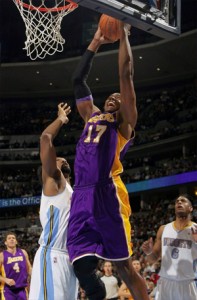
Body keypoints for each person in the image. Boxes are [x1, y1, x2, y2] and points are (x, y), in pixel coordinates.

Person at [67, 20, 149, 300]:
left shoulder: (123, 125)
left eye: (119, 98)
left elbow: (125, 76)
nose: (114, 97)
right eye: (111, 96)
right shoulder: (91, 116)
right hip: (80, 195)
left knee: (123, 267)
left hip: (107, 193)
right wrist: (95, 43)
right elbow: (78, 80)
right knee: (80, 265)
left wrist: (124, 35)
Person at [29, 103, 78, 300]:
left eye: (65, 159)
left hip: (71, 260)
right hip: (52, 256)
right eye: (57, 158)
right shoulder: (54, 182)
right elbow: (46, 138)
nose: (62, 159)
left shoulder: (74, 192)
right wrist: (61, 119)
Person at [142, 194, 197, 300]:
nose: (179, 202)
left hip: (188, 283)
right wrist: (149, 252)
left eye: (183, 201)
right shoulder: (163, 229)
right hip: (165, 282)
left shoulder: (195, 229)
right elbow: (153, 258)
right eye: (177, 201)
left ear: (191, 208)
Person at [0, 232, 32, 300]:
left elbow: (29, 269)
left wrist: (34, 277)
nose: (12, 239)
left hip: (22, 289)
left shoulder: (23, 252)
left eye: (13, 238)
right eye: (9, 238)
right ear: (5, 242)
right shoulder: (2, 255)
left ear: (16, 241)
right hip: (8, 290)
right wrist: (5, 280)